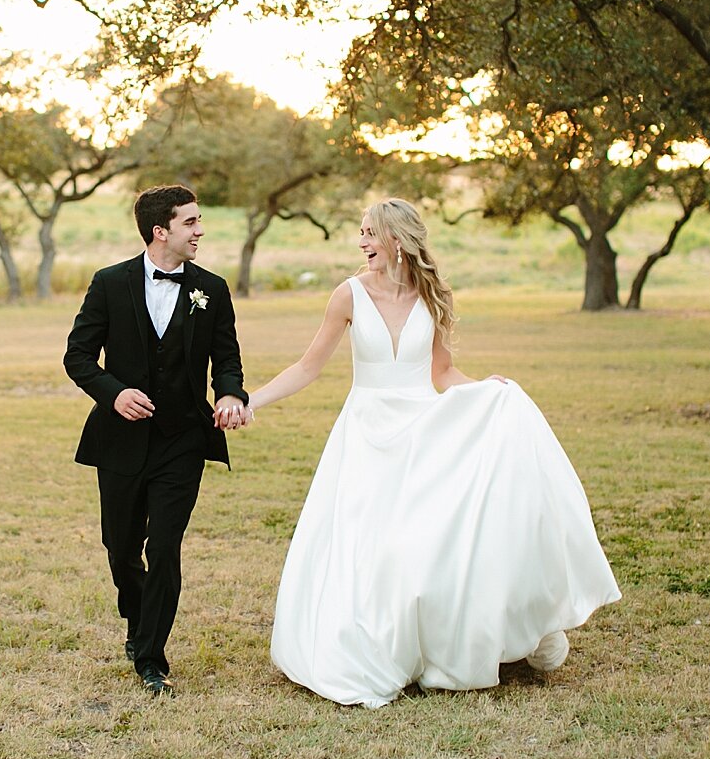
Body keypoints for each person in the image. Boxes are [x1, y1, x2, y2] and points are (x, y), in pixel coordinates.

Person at [243, 197, 621, 708]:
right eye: (360, 233)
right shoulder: (348, 295)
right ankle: (376, 646)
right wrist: (251, 401)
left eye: (369, 233)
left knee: (429, 541)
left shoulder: (430, 294)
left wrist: (485, 389)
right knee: (371, 545)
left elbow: (442, 373)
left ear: (397, 238)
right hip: (367, 433)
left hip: (425, 429)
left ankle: (472, 635)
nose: (362, 243)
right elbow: (309, 367)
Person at [63, 184, 251, 698]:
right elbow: (77, 357)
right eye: (190, 222)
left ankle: (150, 655)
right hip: (120, 440)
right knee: (121, 548)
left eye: (199, 220)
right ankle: (137, 618)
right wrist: (114, 393)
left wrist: (231, 395)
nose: (200, 231)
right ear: (159, 231)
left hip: (184, 439)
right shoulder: (109, 283)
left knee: (164, 547)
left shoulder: (211, 288)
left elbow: (227, 359)